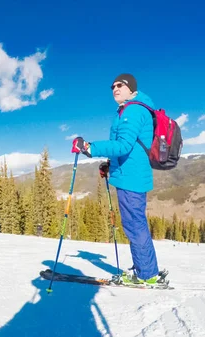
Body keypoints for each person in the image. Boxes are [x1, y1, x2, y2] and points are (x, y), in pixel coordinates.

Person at [72, 73, 161, 285]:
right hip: (130, 175)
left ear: (131, 89)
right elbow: (128, 148)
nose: (115, 88)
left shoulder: (133, 110)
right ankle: (145, 269)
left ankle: (147, 275)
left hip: (131, 179)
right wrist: (110, 165)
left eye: (120, 85)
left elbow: (124, 145)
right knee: (135, 224)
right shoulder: (131, 110)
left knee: (134, 225)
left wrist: (89, 147)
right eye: (112, 86)